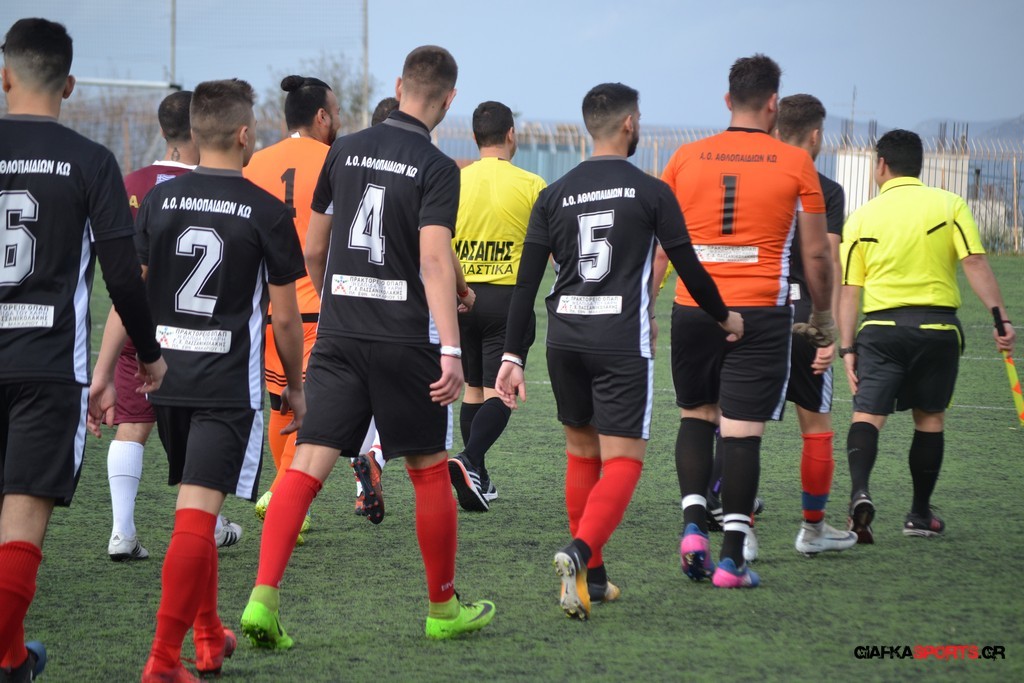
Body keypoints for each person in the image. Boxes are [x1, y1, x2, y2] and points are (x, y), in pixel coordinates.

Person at [241, 45, 495, 647]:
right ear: (449, 100)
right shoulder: (437, 167)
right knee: (428, 470)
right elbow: (433, 259)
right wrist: (452, 349)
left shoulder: (344, 149)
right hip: (405, 340)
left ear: (400, 86)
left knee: (307, 463)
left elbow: (313, 248)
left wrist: (340, 298)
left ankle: (261, 601)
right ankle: (442, 609)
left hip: (340, 334)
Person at [496, 83, 742, 620]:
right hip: (620, 342)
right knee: (624, 461)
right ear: (629, 123)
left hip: (564, 341)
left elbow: (525, 285)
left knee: (582, 454)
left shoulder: (553, 194)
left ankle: (595, 579)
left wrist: (511, 357)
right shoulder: (652, 191)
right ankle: (579, 553)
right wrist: (725, 316)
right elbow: (688, 266)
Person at [96, 78, 307, 682]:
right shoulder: (266, 210)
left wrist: (105, 372)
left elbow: (128, 293)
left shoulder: (158, 201)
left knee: (201, 505)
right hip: (223, 386)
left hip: (163, 380)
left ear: (193, 131)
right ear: (244, 135)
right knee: (196, 516)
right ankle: (163, 659)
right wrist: (295, 385)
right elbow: (284, 317)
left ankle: (209, 637)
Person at [0, 17, 165, 681]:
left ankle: (12, 657)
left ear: (4, 76)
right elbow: (123, 274)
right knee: (21, 517)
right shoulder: (90, 161)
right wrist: (147, 353)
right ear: (69, 85)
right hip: (47, 368)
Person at [658, 54, 834, 588]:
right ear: (774, 103)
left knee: (695, 415)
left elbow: (662, 246)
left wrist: (647, 306)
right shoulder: (796, 163)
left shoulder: (685, 157)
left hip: (694, 307)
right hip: (761, 312)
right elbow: (817, 254)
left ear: (727, 99)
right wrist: (823, 315)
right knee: (741, 432)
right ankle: (732, 560)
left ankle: (693, 525)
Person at [839, 129, 1015, 542]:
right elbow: (974, 262)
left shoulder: (861, 217)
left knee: (867, 416)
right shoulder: (950, 204)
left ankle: (859, 494)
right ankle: (919, 515)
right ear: (919, 165)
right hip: (937, 330)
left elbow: (850, 289)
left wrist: (847, 347)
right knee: (930, 418)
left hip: (880, 331)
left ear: (881, 165)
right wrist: (1000, 319)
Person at [92, 89, 201, 563]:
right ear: (201, 128)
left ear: (161, 130)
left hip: (135, 325)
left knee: (131, 426)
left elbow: (117, 264)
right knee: (202, 431)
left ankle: (122, 531)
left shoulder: (131, 182)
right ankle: (208, 521)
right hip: (194, 332)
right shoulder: (211, 185)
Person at [244, 75, 340, 541]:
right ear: (321, 117)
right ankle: (282, 498)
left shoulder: (255, 162)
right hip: (319, 306)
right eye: (336, 113)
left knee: (283, 404)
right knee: (320, 417)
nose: (338, 121)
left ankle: (288, 506)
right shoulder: (335, 160)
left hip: (268, 310)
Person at [448, 100, 547, 511]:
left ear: (475, 137)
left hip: (461, 298)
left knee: (473, 390)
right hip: (509, 301)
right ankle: (470, 459)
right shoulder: (533, 184)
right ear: (511, 135)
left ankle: (479, 477)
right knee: (501, 392)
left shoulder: (455, 181)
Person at [774, 94, 858, 555]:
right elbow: (826, 258)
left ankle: (740, 531)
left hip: (758, 312)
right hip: (806, 314)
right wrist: (830, 328)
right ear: (815, 134)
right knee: (816, 426)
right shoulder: (824, 187)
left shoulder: (757, 178)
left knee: (741, 425)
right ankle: (812, 530)